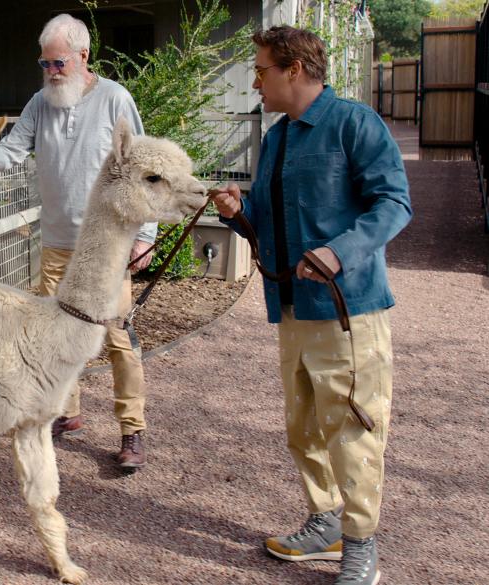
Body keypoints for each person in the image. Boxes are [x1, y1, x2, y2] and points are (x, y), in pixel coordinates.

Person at [210, 26, 411, 585]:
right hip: (293, 309)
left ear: (293, 69)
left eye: (261, 70)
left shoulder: (355, 124)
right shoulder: (277, 137)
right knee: (302, 425)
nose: (255, 80)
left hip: (349, 311)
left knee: (352, 428)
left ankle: (361, 543)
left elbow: (394, 203)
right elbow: (267, 222)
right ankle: (325, 522)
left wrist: (338, 252)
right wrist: (236, 210)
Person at [0, 13, 156, 469]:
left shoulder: (114, 99)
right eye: (44, 64)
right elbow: (11, 149)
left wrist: (144, 235)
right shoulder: (40, 103)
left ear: (83, 56)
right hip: (58, 240)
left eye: (58, 63)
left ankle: (132, 431)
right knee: (57, 331)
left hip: (108, 243)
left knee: (117, 337)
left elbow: (142, 166)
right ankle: (67, 412)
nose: (50, 72)